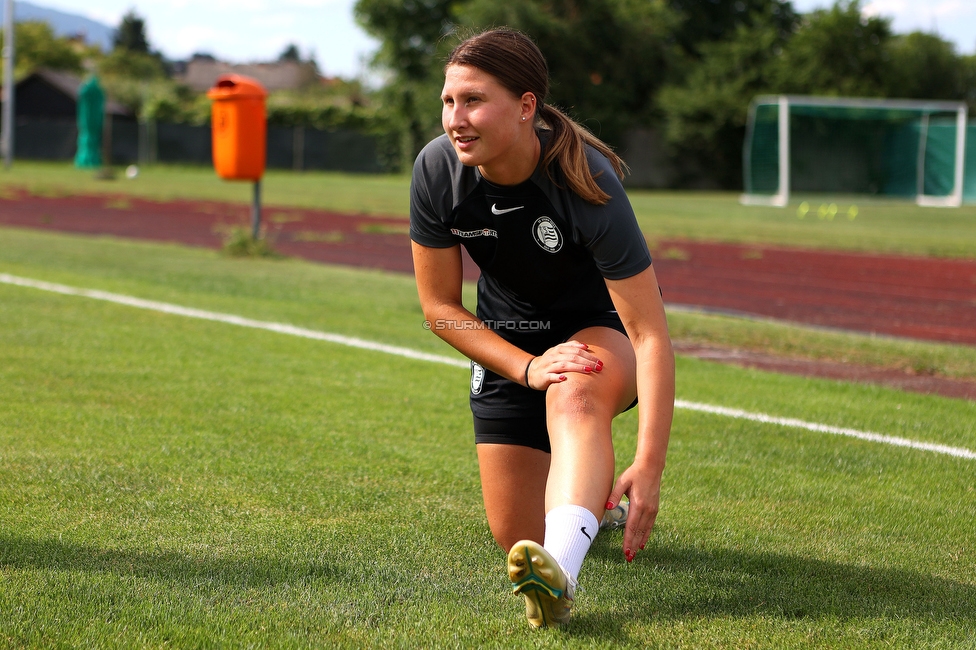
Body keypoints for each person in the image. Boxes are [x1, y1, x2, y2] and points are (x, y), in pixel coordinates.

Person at [409, 28, 675, 629]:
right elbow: (439, 308)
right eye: (449, 101)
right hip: (509, 339)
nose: (456, 118)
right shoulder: (436, 170)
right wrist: (525, 366)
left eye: (473, 100)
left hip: (598, 330)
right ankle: (589, 505)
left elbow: (651, 333)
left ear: (527, 106)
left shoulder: (587, 177)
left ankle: (560, 581)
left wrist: (650, 463)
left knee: (574, 392)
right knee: (514, 533)